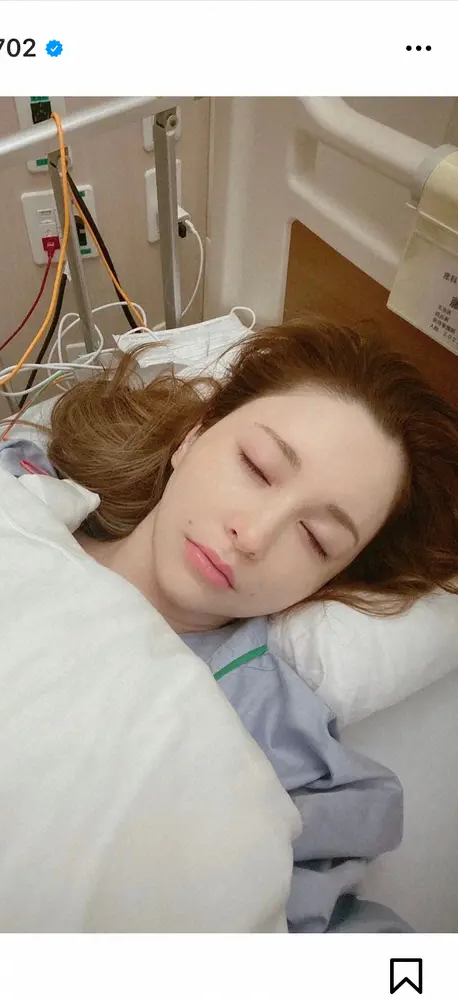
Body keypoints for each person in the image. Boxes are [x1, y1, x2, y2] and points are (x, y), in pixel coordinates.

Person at [40, 317, 458, 931]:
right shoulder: (4, 494)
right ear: (193, 437)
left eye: (315, 539)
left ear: (328, 582)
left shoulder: (270, 741)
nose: (254, 535)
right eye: (258, 467)